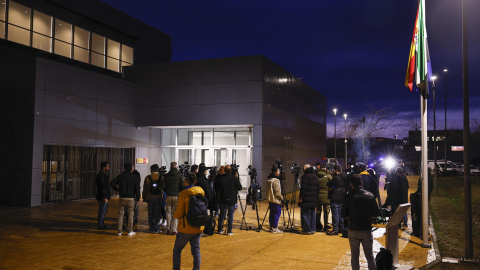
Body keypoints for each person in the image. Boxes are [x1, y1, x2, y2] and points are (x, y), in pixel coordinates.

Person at [341, 174, 381, 270]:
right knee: (370, 257)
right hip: (366, 229)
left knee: (354, 257)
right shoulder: (369, 195)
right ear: (361, 183)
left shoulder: (348, 196)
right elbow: (376, 213)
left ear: (351, 184)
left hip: (353, 229)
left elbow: (343, 214)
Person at [172, 172, 205, 270]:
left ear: (185, 181)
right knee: (196, 251)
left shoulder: (183, 194)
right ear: (195, 181)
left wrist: (174, 215)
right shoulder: (201, 192)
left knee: (177, 250)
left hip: (186, 228)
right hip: (198, 225)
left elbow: (178, 214)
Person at [110, 163, 141, 236]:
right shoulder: (135, 177)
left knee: (120, 214)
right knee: (130, 214)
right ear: (131, 168)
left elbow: (112, 183)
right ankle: (130, 231)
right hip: (131, 198)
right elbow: (137, 189)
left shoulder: (121, 176)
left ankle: (119, 231)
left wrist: (117, 189)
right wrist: (138, 199)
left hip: (122, 198)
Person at [216, 165, 242, 235]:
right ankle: (229, 230)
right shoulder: (234, 178)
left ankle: (219, 229)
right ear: (231, 171)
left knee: (221, 215)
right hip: (232, 200)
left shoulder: (221, 178)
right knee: (230, 215)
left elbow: (217, 188)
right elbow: (240, 188)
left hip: (223, 199)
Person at [161, 161, 184, 235]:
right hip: (176, 196)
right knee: (175, 213)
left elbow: (162, 186)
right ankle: (174, 230)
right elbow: (182, 186)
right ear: (176, 166)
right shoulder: (180, 175)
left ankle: (168, 229)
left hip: (168, 195)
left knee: (168, 212)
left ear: (170, 167)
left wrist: (166, 191)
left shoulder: (167, 175)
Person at [299, 164, 320, 235]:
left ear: (305, 169)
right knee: (312, 213)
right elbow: (318, 188)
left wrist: (300, 198)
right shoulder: (315, 176)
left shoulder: (305, 176)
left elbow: (303, 189)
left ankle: (306, 230)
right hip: (314, 199)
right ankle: (313, 229)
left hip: (306, 199)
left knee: (305, 214)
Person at [142, 164, 164, 233]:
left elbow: (145, 189)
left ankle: (151, 227)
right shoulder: (161, 178)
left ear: (151, 170)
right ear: (158, 170)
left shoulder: (148, 178)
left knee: (150, 213)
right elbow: (163, 188)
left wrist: (144, 197)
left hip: (150, 197)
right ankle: (156, 228)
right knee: (157, 213)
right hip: (158, 198)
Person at [326, 165, 347, 235]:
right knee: (341, 214)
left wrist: (333, 187)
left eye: (334, 170)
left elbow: (328, 184)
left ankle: (335, 229)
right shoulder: (345, 177)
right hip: (343, 197)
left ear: (336, 170)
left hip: (335, 197)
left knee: (335, 214)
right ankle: (341, 228)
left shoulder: (335, 178)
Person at [266, 166, 284, 233]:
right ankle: (274, 228)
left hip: (270, 199)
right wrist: (281, 198)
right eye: (278, 171)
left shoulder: (269, 179)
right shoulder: (276, 180)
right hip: (275, 200)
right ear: (275, 172)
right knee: (277, 213)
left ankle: (271, 226)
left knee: (272, 213)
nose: (279, 172)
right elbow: (277, 191)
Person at [315, 165, 332, 232]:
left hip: (318, 195)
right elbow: (332, 183)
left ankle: (318, 223)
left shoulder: (316, 176)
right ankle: (326, 224)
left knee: (318, 210)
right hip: (326, 195)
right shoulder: (328, 176)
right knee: (326, 211)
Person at [95, 162, 110, 230]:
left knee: (103, 210)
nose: (108, 168)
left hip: (102, 196)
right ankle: (100, 225)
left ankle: (102, 224)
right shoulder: (101, 175)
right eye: (107, 166)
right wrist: (104, 197)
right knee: (102, 210)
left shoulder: (102, 175)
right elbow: (102, 187)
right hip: (102, 197)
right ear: (104, 167)